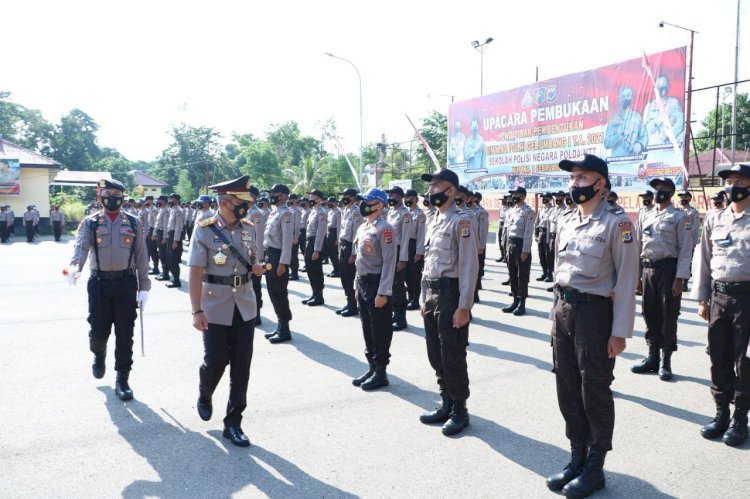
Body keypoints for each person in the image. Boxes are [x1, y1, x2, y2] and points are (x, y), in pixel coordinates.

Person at [546, 154, 637, 497]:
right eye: (572, 178)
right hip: (564, 311)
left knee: (594, 390)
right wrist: (553, 319)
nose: (574, 183)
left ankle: (595, 466)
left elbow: (627, 280)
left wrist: (619, 332)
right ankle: (577, 456)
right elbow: (559, 275)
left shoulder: (618, 223)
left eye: (582, 177)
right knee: (567, 387)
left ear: (600, 183)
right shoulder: (567, 219)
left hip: (594, 316)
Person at [188, 175, 266, 447]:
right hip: (214, 304)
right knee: (216, 361)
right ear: (226, 201)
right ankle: (205, 391)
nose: (246, 205)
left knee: (242, 366)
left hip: (244, 302)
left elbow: (254, 258)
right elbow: (196, 272)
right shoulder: (205, 229)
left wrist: (256, 266)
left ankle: (233, 422)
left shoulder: (249, 227)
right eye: (241, 201)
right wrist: (196, 311)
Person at [69, 178, 151, 401]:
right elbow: (81, 246)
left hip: (125, 283)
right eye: (108, 193)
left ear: (123, 197)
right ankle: (99, 354)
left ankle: (122, 378)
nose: (112, 197)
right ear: (100, 197)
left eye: (116, 193)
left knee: (125, 333)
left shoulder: (134, 223)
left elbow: (142, 256)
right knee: (98, 330)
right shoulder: (91, 222)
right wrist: (75, 267)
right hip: (99, 284)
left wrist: (144, 287)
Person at [418, 168, 478, 436]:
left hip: (451, 294)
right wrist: (422, 297)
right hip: (431, 293)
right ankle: (446, 401)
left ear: (451, 190)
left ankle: (460, 410)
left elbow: (468, 267)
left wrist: (464, 306)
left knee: (452, 353)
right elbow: (428, 263)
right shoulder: (434, 219)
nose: (432, 191)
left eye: (437, 186)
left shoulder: (461, 221)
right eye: (430, 187)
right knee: (435, 352)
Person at [694, 163, 750, 447]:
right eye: (728, 182)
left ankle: (741, 418)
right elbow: (703, 260)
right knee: (718, 357)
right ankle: (721, 414)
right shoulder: (715, 219)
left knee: (744, 362)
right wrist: (702, 298)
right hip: (718, 298)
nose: (732, 187)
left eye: (739, 181)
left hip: (747, 299)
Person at [631, 178, 691, 381]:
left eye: (663, 189)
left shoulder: (678, 217)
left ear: (671, 192)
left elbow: (685, 249)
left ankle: (666, 361)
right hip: (648, 269)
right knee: (649, 313)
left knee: (668, 316)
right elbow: (637, 246)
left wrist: (680, 278)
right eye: (656, 188)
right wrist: (637, 276)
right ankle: (652, 357)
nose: (658, 192)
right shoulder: (645, 215)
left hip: (668, 270)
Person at [350, 188, 397, 390]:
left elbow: (389, 263)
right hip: (363, 283)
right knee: (367, 327)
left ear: (379, 205)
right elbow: (359, 260)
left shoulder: (385, 229)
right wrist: (355, 284)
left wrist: (383, 292)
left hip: (377, 284)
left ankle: (381, 372)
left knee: (380, 329)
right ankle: (371, 367)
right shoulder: (363, 227)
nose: (363, 205)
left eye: (368, 201)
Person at [263, 184, 295, 344]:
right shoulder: (273, 212)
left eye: (274, 194)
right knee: (272, 291)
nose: (271, 197)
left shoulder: (286, 213)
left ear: (282, 196)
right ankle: (280, 326)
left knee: (279, 292)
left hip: (278, 256)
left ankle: (285, 328)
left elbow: (287, 241)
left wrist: (283, 263)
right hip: (270, 255)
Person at [502, 186, 535, 316]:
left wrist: (525, 250)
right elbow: (506, 231)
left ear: (522, 196)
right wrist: (505, 247)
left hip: (521, 245)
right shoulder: (510, 211)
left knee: (522, 275)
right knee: (512, 274)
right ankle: (515, 300)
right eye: (512, 194)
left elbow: (528, 232)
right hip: (511, 244)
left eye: (515, 194)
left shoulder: (528, 212)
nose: (513, 196)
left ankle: (522, 304)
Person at [385, 186, 410, 330]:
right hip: (390, 251)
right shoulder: (391, 212)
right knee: (390, 284)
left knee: (398, 285)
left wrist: (403, 259)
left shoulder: (404, 214)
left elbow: (406, 238)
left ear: (400, 197)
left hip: (399, 251)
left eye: (393, 195)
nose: (390, 198)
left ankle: (401, 318)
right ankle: (394, 313)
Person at [337, 188, 363, 316]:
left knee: (350, 276)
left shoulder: (356, 212)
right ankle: (349, 302)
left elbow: (356, 234)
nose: (343, 198)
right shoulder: (345, 210)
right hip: (343, 246)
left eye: (346, 196)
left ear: (353, 197)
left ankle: (354, 304)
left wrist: (354, 253)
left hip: (350, 247)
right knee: (344, 277)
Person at [603, 85, 648, 156]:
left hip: (634, 161)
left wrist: (640, 144)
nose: (626, 98)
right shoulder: (613, 119)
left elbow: (645, 136)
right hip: (617, 162)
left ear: (631, 98)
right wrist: (619, 137)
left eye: (628, 95)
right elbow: (606, 143)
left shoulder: (637, 117)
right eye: (623, 96)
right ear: (619, 98)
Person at [643, 74, 685, 147]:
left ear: (668, 87)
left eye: (663, 86)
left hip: (671, 144)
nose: (661, 88)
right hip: (653, 144)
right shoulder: (649, 107)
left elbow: (680, 123)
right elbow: (646, 128)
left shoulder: (674, 103)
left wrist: (668, 134)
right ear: (654, 88)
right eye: (658, 86)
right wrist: (661, 121)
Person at [302, 190, 328, 306]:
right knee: (309, 268)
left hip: (315, 242)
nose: (310, 199)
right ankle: (314, 293)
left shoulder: (321, 213)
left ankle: (319, 296)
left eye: (312, 197)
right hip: (309, 241)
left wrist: (317, 250)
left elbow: (320, 232)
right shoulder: (313, 211)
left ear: (318, 199)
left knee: (316, 270)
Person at [404, 189, 426, 309]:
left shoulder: (420, 214)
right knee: (406, 274)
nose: (407, 200)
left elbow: (421, 235)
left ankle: (415, 299)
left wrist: (419, 252)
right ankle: (410, 296)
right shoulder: (405, 213)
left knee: (414, 274)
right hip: (405, 245)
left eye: (410, 198)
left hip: (414, 245)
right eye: (406, 198)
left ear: (416, 200)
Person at [247, 187, 266, 325]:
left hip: (253, 255)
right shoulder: (244, 212)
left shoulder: (256, 213)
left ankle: (257, 312)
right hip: (244, 253)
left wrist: (258, 258)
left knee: (255, 285)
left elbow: (259, 237)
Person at [679, 191, 700, 290]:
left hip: (688, 241)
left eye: (684, 197)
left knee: (687, 261)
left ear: (689, 199)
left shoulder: (692, 212)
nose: (682, 199)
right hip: (678, 240)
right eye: (681, 197)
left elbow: (695, 228)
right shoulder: (677, 211)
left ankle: (684, 282)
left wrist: (694, 242)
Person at [164, 193, 185, 288]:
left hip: (175, 237)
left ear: (176, 200)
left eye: (171, 199)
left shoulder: (178, 211)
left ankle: (177, 280)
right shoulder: (172, 210)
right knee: (168, 258)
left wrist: (175, 241)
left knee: (173, 259)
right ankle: (174, 279)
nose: (169, 201)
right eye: (169, 199)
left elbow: (178, 227)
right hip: (171, 235)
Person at [535, 193, 553, 281]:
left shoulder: (553, 210)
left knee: (548, 255)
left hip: (548, 233)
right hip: (541, 233)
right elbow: (537, 222)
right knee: (541, 254)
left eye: (546, 198)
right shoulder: (541, 209)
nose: (544, 199)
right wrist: (536, 234)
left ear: (550, 199)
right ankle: (544, 272)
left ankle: (550, 274)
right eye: (543, 198)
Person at [153, 195, 171, 282]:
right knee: (160, 253)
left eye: (159, 201)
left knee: (163, 254)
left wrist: (164, 237)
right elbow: (157, 224)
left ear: (164, 201)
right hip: (159, 233)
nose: (158, 202)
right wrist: (155, 234)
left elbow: (165, 226)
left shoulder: (166, 211)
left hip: (162, 233)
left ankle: (165, 274)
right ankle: (163, 272)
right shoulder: (161, 210)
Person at [325, 197, 342, 278]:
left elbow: (339, 226)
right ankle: (334, 268)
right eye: (328, 202)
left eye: (331, 202)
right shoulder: (330, 211)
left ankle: (338, 270)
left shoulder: (338, 212)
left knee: (335, 253)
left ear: (335, 203)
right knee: (330, 252)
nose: (329, 204)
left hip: (334, 233)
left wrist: (337, 239)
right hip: (329, 232)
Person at [287, 194, 302, 281]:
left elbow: (297, 225)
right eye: (290, 199)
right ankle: (291, 271)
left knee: (293, 255)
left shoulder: (297, 211)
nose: (290, 200)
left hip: (293, 235)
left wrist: (295, 237)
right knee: (288, 255)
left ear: (296, 200)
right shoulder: (288, 209)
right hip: (288, 235)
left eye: (292, 199)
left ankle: (295, 273)